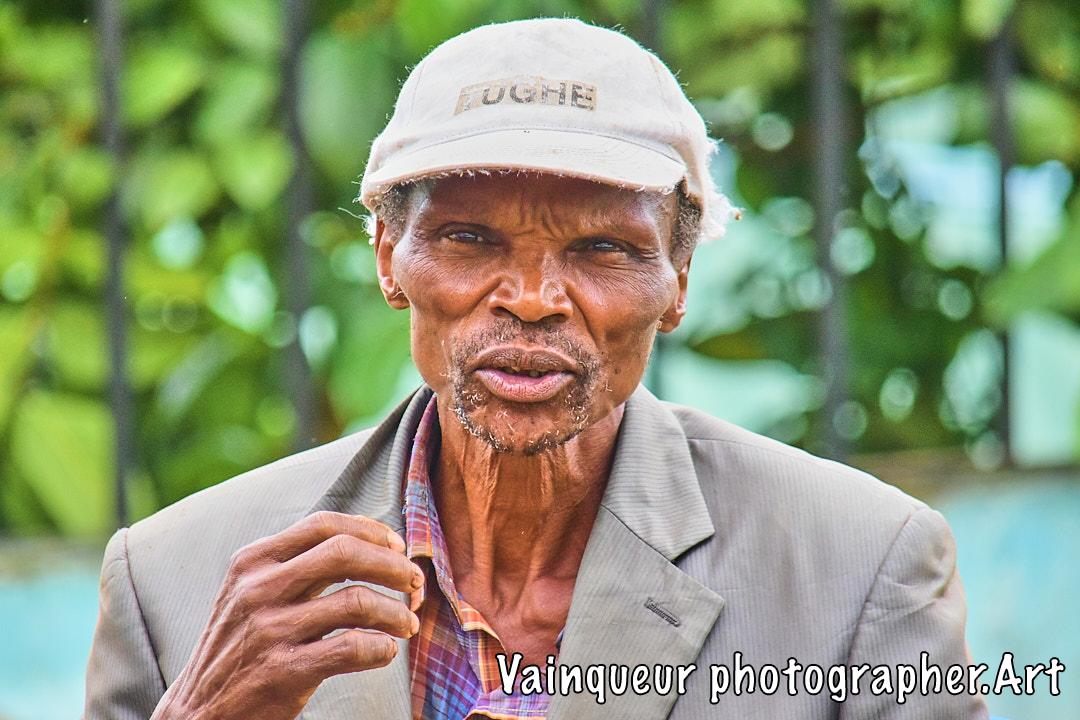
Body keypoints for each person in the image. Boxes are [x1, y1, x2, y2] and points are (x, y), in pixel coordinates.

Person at [84, 17, 989, 720]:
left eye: (602, 249)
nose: (530, 298)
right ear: (388, 257)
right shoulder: (172, 580)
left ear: (678, 281)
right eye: (469, 238)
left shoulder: (860, 569)